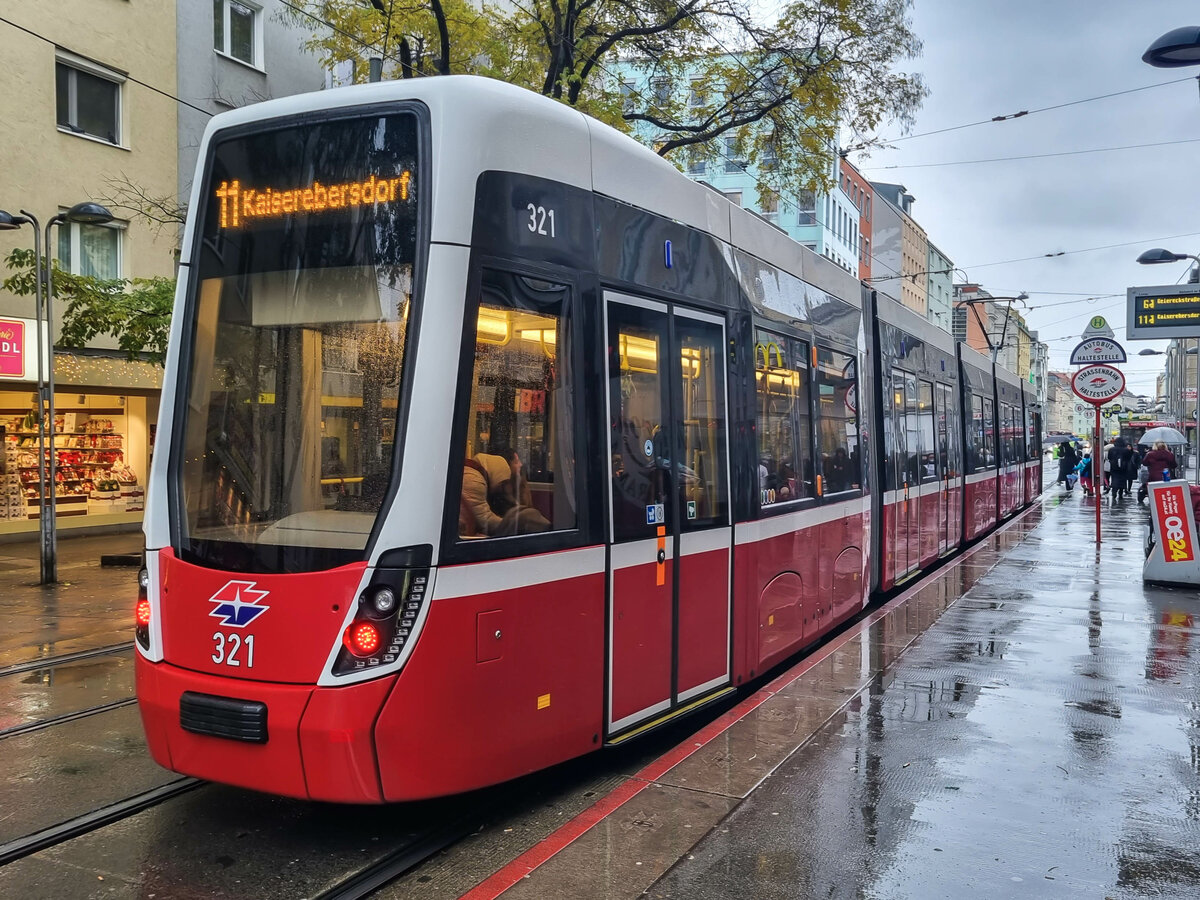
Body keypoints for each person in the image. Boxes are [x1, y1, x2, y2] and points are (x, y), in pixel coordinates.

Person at [461, 446, 551, 537]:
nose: (520, 465)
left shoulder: (482, 479)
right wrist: (517, 523)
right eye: (516, 462)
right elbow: (485, 520)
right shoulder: (473, 480)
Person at [1108, 437, 1133, 502]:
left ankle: (1114, 492)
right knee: (1122, 480)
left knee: (1114, 479)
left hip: (1114, 467)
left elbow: (1109, 457)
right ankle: (1121, 493)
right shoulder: (1126, 450)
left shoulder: (1112, 449)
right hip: (1124, 468)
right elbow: (1129, 458)